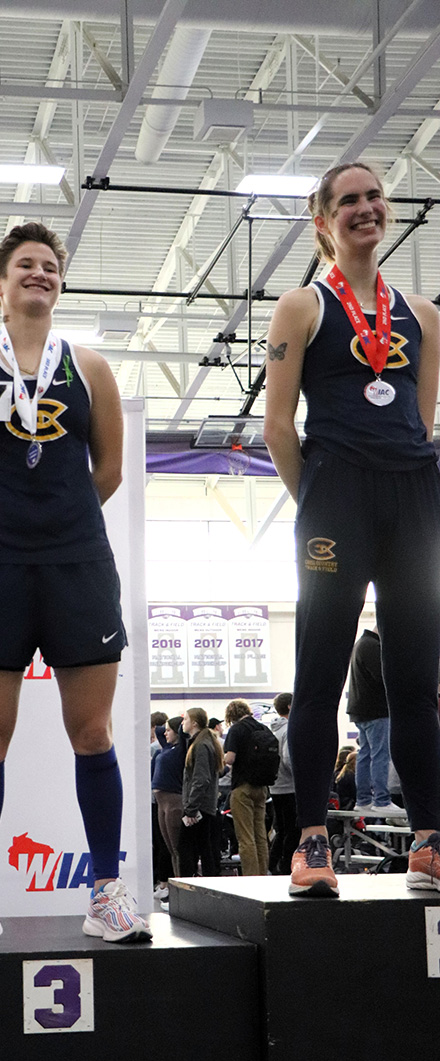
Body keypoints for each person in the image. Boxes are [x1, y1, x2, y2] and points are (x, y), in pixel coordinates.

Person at [0, 222, 150, 945]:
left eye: (50, 266)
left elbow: (108, 473)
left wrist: (58, 531)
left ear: (59, 284)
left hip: (78, 567)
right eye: (26, 265)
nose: (40, 274)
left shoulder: (91, 368)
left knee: (92, 732)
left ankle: (108, 894)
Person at [264, 160, 440, 897]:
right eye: (348, 201)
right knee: (321, 672)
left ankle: (429, 840)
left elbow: (422, 420)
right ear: (324, 222)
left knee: (415, 680)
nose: (365, 208)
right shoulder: (302, 306)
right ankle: (311, 844)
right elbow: (277, 427)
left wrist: (403, 494)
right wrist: (320, 504)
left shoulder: (424, 315)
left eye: (373, 197)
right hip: (334, 497)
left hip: (414, 496)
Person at [347, 626, 394, 812]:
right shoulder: (373, 647)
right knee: (380, 755)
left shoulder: (361, 644)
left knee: (366, 755)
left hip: (361, 709)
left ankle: (363, 799)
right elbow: (383, 678)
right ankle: (382, 800)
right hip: (376, 710)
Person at [223, 698, 270, 876]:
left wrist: (221, 761)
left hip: (242, 787)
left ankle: (251, 877)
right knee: (260, 835)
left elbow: (230, 759)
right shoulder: (262, 728)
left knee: (245, 837)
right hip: (262, 787)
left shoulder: (237, 729)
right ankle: (262, 873)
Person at [179, 708, 224, 877]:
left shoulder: (201, 745)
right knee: (205, 849)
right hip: (203, 806)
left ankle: (187, 890)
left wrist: (191, 808)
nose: (183, 723)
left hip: (199, 807)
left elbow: (201, 779)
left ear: (194, 723)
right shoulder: (204, 742)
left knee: (186, 849)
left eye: (186, 720)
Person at [152, 715, 187, 886]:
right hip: (161, 802)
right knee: (169, 847)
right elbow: (158, 729)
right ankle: (175, 886)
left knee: (177, 847)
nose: (164, 733)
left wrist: (183, 721)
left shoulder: (181, 749)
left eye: (169, 730)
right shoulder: (166, 748)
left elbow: (182, 732)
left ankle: (181, 884)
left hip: (174, 800)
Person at [268, 692, 299, 875]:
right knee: (292, 830)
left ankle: (272, 865)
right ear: (289, 706)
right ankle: (286, 866)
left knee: (281, 829)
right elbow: (289, 759)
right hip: (290, 786)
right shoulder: (289, 730)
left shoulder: (275, 729)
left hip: (275, 786)